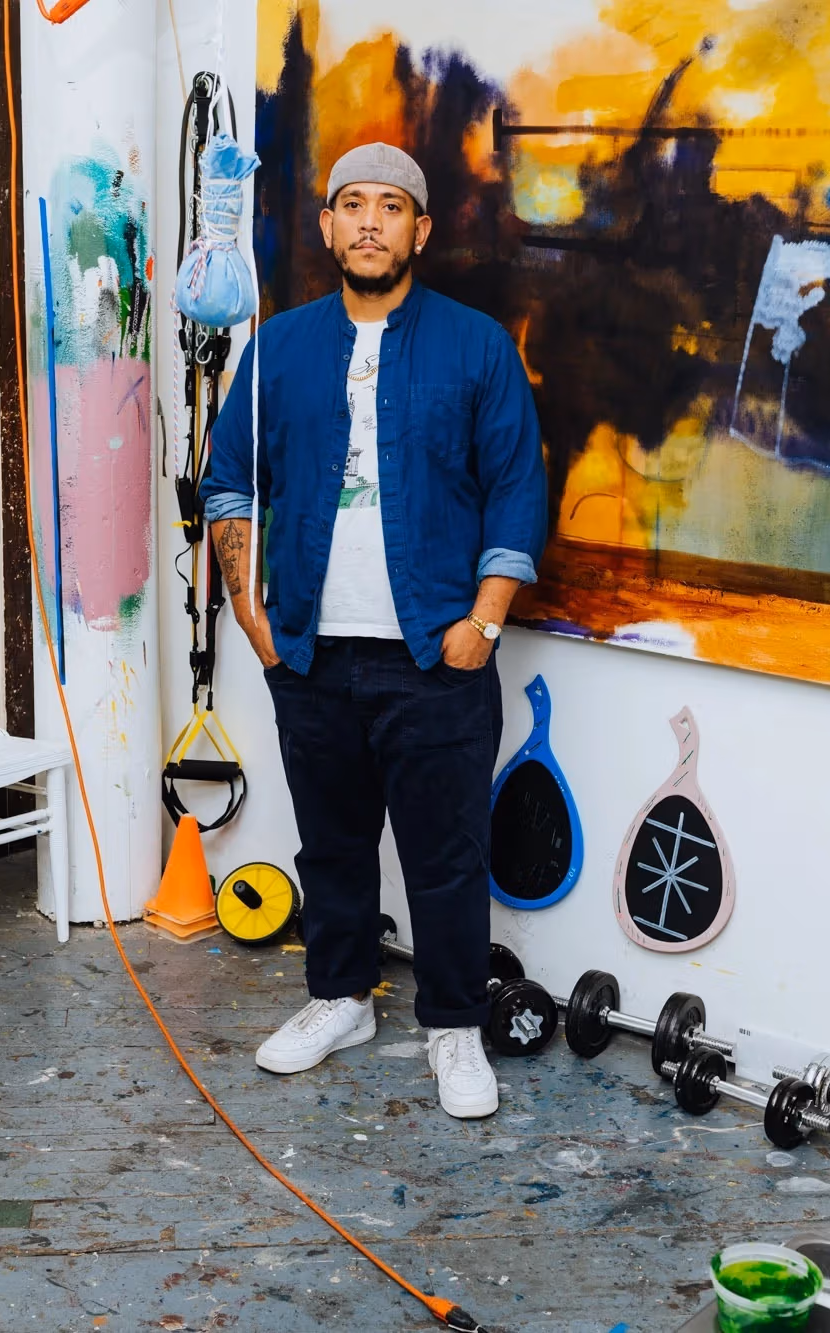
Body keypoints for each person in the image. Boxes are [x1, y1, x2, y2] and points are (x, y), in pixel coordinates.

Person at [199, 142, 547, 1119]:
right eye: (351, 204)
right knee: (331, 846)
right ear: (327, 227)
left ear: (418, 230)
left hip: (435, 654)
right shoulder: (277, 348)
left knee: (446, 856)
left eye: (389, 207)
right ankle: (340, 998)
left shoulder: (476, 347)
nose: (368, 222)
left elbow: (516, 488)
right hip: (309, 651)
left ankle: (453, 1026)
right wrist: (249, 610)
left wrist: (483, 622)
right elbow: (229, 480)